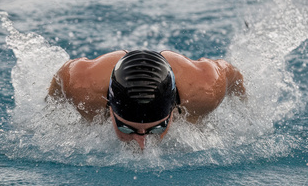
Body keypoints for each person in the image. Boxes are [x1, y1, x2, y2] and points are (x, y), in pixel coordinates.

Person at [48, 49, 246, 150]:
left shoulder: (206, 89)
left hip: (183, 73)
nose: (142, 143)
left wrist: (246, 109)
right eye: (126, 128)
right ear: (109, 106)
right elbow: (59, 80)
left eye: (157, 128)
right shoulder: (82, 86)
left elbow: (234, 76)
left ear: (173, 109)